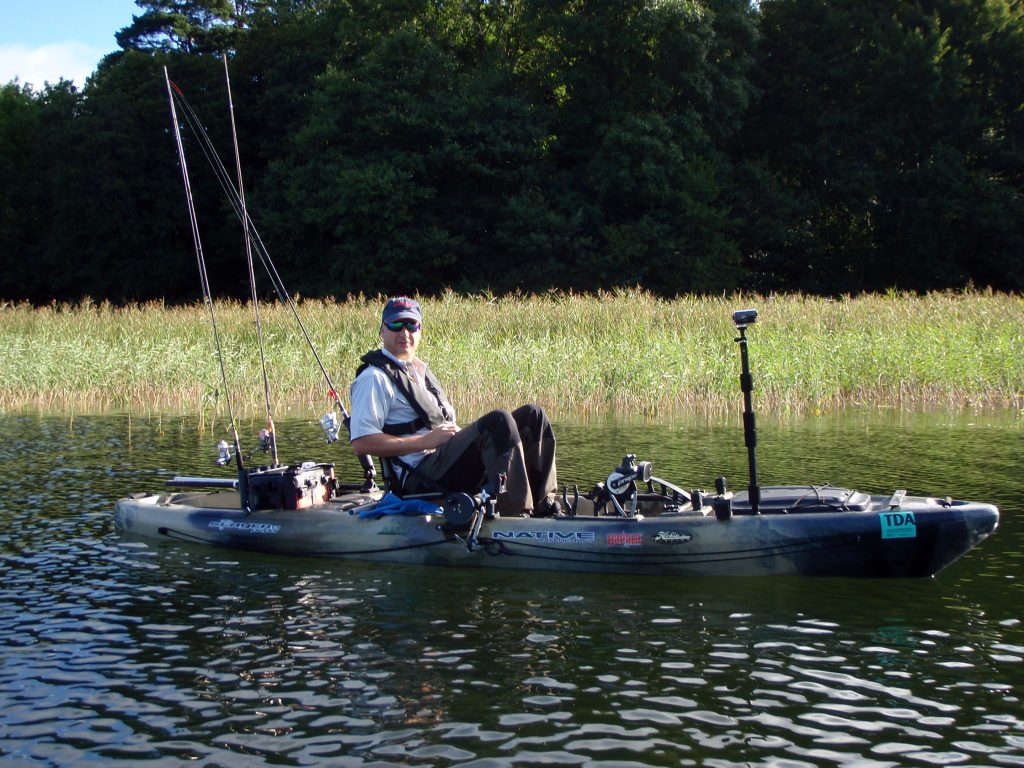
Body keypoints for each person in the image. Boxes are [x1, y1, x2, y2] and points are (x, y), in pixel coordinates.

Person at [349, 296, 560, 517]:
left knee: (533, 416)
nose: (404, 332)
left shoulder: (419, 373)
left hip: (444, 464)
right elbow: (362, 443)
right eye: (396, 324)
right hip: (418, 478)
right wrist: (424, 441)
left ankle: (544, 505)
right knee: (498, 421)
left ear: (419, 330)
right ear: (382, 330)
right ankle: (515, 516)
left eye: (412, 325)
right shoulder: (374, 378)